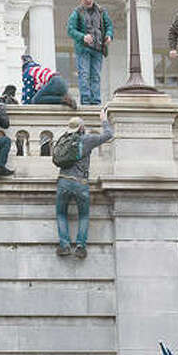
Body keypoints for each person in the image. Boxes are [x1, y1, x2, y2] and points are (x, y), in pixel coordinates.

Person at [55, 107, 113, 259]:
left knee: (61, 214)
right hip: (80, 182)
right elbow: (108, 135)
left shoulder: (63, 139)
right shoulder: (87, 139)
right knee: (83, 215)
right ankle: (80, 246)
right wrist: (104, 119)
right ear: (82, 128)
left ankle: (64, 245)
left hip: (63, 181)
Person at [67, 0, 113, 106]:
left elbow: (109, 26)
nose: (88, 0)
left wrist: (108, 35)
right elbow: (70, 30)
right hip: (84, 49)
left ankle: (96, 101)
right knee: (84, 75)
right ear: (81, 0)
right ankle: (86, 101)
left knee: (96, 75)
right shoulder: (77, 12)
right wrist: (83, 37)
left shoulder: (101, 11)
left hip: (98, 48)